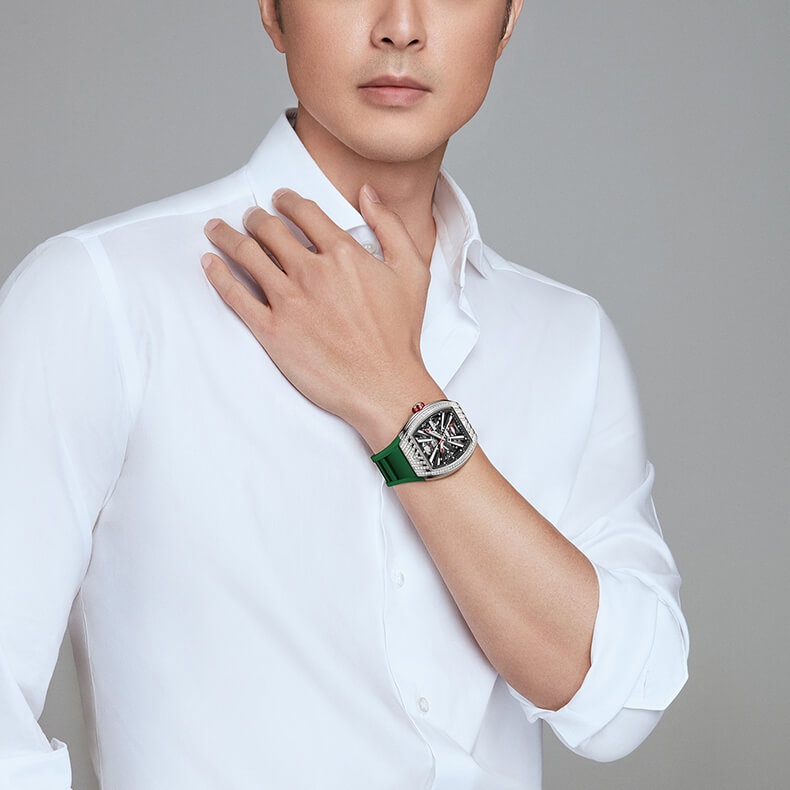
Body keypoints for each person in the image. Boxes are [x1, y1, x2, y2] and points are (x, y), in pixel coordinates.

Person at [0, 1, 690, 787]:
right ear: (273, 11)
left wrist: (396, 395)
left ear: (507, 21)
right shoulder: (102, 296)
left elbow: (620, 704)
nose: (401, 25)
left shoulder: (567, 338)